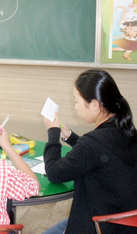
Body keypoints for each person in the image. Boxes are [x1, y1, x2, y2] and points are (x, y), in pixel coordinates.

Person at [43, 69, 137, 234]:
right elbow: (99, 153)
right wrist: (69, 136)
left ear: (94, 104)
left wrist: (53, 132)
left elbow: (54, 172)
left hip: (100, 224)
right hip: (124, 220)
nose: (75, 107)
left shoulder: (92, 143)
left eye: (77, 101)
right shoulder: (124, 129)